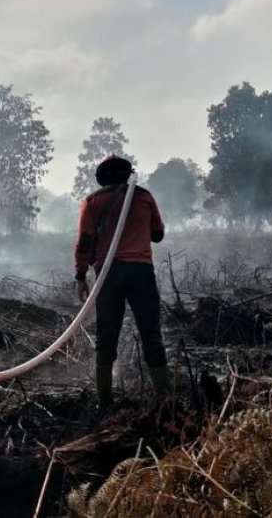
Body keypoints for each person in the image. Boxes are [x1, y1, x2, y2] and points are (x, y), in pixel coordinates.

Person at [74, 155, 170, 415]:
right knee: (152, 335)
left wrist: (81, 276)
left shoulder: (92, 202)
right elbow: (158, 234)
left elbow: (84, 242)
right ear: (128, 175)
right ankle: (166, 401)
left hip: (108, 276)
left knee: (106, 339)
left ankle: (104, 405)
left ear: (102, 178)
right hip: (141, 273)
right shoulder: (144, 197)